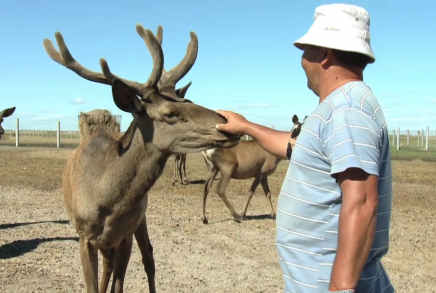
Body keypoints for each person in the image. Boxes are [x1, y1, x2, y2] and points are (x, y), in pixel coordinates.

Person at [215, 3, 394, 293]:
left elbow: (362, 202)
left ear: (325, 53)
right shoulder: (338, 108)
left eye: (307, 49)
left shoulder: (347, 110)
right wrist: (246, 126)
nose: (302, 58)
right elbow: (296, 147)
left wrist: (341, 288)